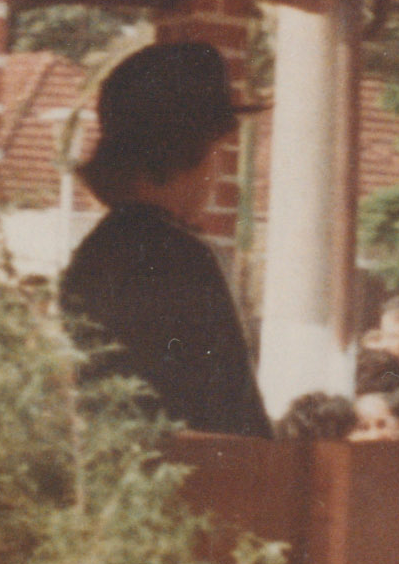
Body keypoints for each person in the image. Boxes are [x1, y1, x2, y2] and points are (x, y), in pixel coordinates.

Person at [56, 40, 268, 438]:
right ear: (187, 151)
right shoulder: (181, 257)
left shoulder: (94, 253)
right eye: (216, 149)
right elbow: (234, 422)